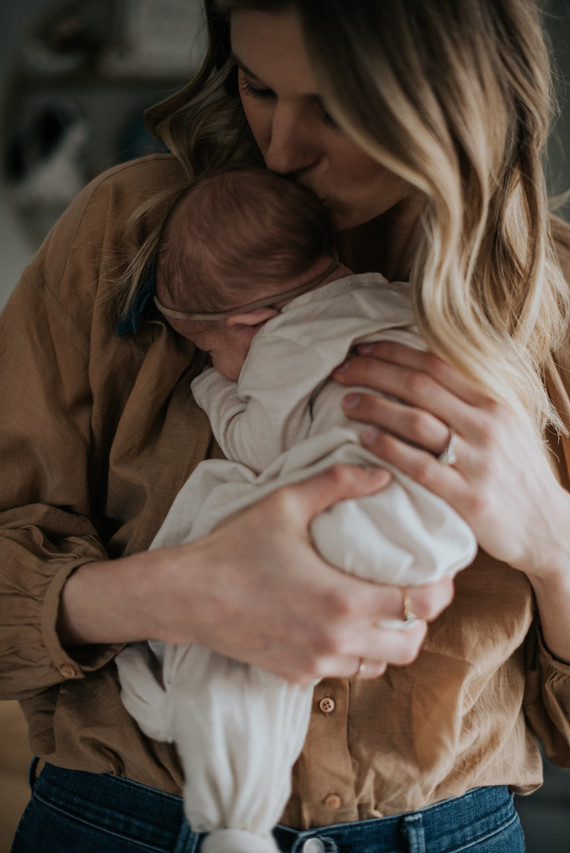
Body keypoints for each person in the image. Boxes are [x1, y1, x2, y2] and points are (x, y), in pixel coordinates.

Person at [1, 1, 570, 852]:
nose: (282, 147)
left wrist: (553, 538)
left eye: (338, 106)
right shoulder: (133, 235)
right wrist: (175, 592)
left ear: (454, 96)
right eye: (258, 87)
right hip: (119, 825)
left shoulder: (549, 299)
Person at [115, 166, 476, 853]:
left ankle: (230, 804)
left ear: (253, 322)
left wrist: (214, 395)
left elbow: (261, 439)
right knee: (275, 653)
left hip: (361, 516)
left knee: (222, 525)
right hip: (430, 533)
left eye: (212, 349)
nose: (219, 366)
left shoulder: (287, 344)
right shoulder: (389, 303)